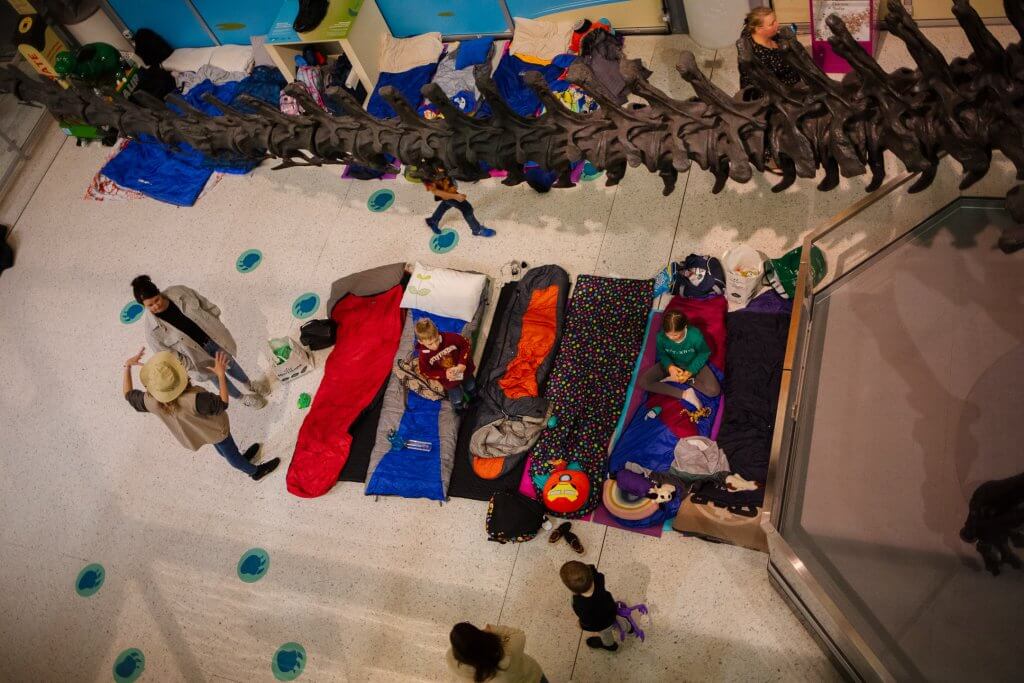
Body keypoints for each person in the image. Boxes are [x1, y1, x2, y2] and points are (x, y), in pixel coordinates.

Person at [123, 347, 280, 481]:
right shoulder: (195, 399)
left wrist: (127, 366)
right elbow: (223, 404)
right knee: (229, 452)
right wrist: (220, 375)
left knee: (221, 448)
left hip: (197, 432)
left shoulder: (150, 401)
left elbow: (128, 394)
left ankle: (241, 460)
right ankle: (255, 472)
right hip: (216, 430)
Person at [131, 275, 266, 408]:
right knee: (217, 377)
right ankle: (242, 398)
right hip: (196, 359)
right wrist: (191, 365)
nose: (156, 305)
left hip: (212, 340)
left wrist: (217, 325)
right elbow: (167, 355)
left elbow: (205, 305)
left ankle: (249, 384)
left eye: (157, 300)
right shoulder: (152, 331)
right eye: (150, 305)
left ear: (159, 292)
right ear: (143, 306)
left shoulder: (179, 292)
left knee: (231, 363)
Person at [638, 310, 720, 411]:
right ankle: (685, 394)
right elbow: (663, 354)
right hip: (672, 364)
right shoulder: (661, 337)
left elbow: (704, 353)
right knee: (644, 382)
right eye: (668, 334)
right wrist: (670, 366)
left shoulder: (694, 335)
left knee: (714, 391)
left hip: (692, 363)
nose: (671, 338)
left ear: (685, 327)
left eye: (676, 335)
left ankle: (684, 380)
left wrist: (689, 371)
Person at [446, 622, 547, 682]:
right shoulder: (509, 652)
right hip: (532, 678)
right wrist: (492, 630)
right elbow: (518, 634)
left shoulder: (451, 661)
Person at [560, 561, 625, 652]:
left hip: (602, 624)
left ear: (573, 590)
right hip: (611, 609)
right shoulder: (598, 578)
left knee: (606, 634)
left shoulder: (580, 604)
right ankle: (630, 629)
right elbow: (596, 571)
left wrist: (581, 625)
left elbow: (587, 621)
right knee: (620, 620)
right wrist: (590, 569)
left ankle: (610, 646)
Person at [415, 318, 476, 411]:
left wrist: (462, 363)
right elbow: (425, 372)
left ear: (437, 331)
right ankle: (460, 409)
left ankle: (474, 398)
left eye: (436, 340)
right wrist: (444, 374)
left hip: (464, 371)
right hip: (449, 381)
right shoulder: (423, 355)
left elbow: (465, 344)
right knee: (457, 398)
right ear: (421, 342)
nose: (435, 345)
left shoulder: (450, 337)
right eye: (430, 344)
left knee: (471, 386)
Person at [738, 7, 801, 96]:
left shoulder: (751, 31)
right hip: (777, 93)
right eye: (771, 24)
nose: (777, 24)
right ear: (759, 29)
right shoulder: (763, 56)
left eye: (775, 20)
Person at [423, 168, 496, 238]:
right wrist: (455, 196)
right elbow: (437, 192)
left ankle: (433, 220)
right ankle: (477, 230)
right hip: (447, 192)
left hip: (449, 188)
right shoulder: (426, 171)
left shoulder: (436, 163)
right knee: (467, 209)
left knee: (446, 203)